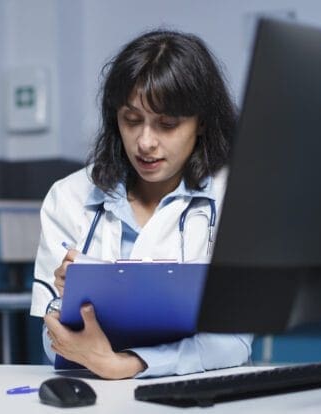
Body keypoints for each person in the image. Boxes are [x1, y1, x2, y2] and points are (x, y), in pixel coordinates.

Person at [30, 29, 252, 379]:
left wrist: (127, 364)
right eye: (131, 120)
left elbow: (234, 340)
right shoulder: (69, 197)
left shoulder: (234, 197)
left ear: (202, 124)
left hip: (198, 394)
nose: (145, 142)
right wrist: (65, 305)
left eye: (167, 124)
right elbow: (50, 337)